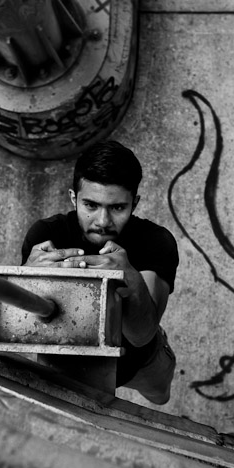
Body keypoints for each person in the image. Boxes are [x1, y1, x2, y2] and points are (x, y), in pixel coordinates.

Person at [21, 140, 178, 404]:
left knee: (159, 396)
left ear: (134, 203)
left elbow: (141, 336)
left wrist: (129, 276)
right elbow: (23, 323)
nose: (103, 222)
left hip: (139, 359)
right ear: (74, 198)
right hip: (69, 358)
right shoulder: (47, 235)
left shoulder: (156, 241)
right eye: (91, 205)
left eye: (117, 207)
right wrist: (27, 277)